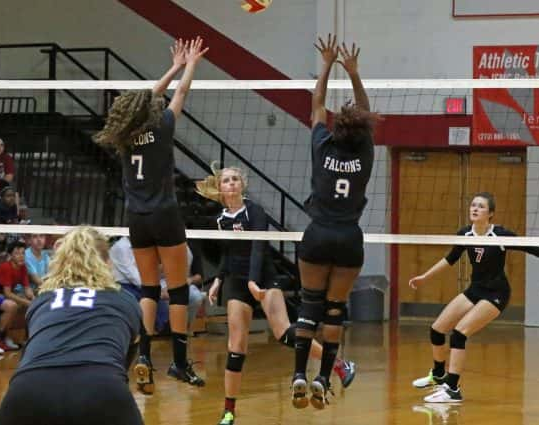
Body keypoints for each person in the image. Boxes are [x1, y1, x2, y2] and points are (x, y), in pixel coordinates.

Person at [197, 164, 356, 424]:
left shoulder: (255, 211)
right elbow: (228, 252)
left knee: (283, 333)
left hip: (263, 276)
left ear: (242, 185)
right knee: (236, 346)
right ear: (221, 188)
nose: (232, 183)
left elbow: (259, 247)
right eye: (226, 180)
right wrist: (218, 280)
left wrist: (254, 281)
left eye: (236, 179)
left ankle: (339, 365)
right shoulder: (220, 219)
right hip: (237, 283)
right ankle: (228, 412)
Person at [93, 37, 208, 394]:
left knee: (146, 288)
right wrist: (189, 65)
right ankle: (178, 363)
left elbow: (144, 102)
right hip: (165, 215)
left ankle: (142, 357)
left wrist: (172, 66)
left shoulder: (124, 134)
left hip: (137, 218)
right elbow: (181, 94)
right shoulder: (162, 127)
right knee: (175, 292)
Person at [409, 192, 539, 403]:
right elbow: (449, 259)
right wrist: (425, 277)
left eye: (480, 206)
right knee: (437, 329)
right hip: (475, 289)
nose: (474, 209)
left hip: (497, 293)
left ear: (490, 213)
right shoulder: (465, 234)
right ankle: (438, 375)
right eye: (473, 205)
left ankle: (453, 389)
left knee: (459, 334)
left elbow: (531, 247)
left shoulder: (499, 235)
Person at [290, 36, 377, 409]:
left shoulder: (322, 143)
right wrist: (355, 74)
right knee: (334, 309)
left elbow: (317, 105)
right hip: (348, 238)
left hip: (318, 234)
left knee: (310, 305)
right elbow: (365, 109)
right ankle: (324, 379)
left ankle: (298, 375)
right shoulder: (366, 150)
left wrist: (326, 64)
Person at [0, 227, 143, 425]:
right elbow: (124, 360)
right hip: (102, 387)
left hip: (27, 391)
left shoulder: (42, 301)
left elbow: (33, 351)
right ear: (107, 262)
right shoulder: (125, 300)